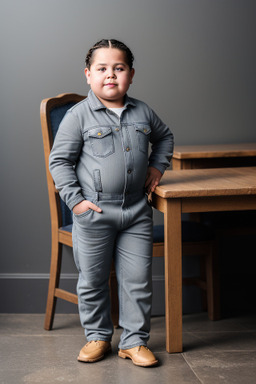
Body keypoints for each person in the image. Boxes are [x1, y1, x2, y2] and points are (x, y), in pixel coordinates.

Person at [49, 39, 174, 367]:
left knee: (138, 279)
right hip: (95, 212)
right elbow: (59, 161)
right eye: (102, 69)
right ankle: (97, 336)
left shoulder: (143, 111)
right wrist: (76, 202)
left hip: (136, 211)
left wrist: (157, 166)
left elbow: (164, 137)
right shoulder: (78, 117)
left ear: (131, 75)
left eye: (118, 68)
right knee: (92, 278)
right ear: (88, 75)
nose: (110, 75)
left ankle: (134, 341)